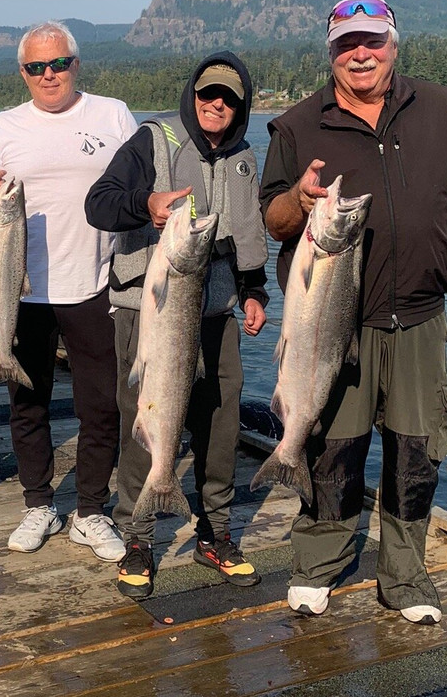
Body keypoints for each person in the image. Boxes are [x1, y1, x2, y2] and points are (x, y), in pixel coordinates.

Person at [259, 0, 447, 624]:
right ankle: (317, 566)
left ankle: (406, 577)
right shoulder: (296, 125)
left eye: (372, 42)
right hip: (334, 324)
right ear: (330, 52)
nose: (360, 54)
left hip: (420, 314)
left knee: (416, 450)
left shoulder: (442, 108)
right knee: (333, 444)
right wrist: (302, 202)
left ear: (394, 43)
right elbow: (274, 220)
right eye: (346, 45)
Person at [85, 52, 269, 597]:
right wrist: (147, 203)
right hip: (151, 314)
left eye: (229, 99)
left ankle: (216, 532)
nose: (216, 105)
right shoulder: (153, 140)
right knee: (144, 421)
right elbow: (100, 203)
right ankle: (138, 538)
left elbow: (249, 233)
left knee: (221, 423)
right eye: (209, 94)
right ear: (193, 93)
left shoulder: (242, 156)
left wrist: (255, 290)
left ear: (241, 108)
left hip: (216, 314)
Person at [0, 21, 137, 562]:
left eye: (58, 63)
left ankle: (91, 511)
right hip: (19, 292)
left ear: (76, 64)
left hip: (96, 285)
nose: (49, 75)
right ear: (22, 73)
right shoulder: (2, 127)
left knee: (102, 405)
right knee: (27, 402)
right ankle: (39, 503)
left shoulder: (113, 115)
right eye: (36, 67)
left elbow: (142, 194)